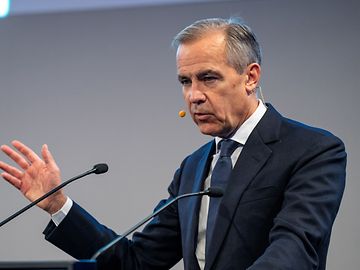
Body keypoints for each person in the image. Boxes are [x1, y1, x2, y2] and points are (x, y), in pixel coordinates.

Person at [0, 18, 346, 270]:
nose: (194, 95)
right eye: (185, 81)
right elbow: (136, 261)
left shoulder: (312, 150)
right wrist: (59, 204)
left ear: (250, 77)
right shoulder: (193, 168)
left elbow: (294, 250)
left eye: (208, 78)